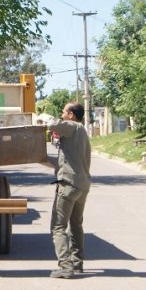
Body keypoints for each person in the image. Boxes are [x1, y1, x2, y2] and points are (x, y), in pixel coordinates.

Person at [42, 102, 91, 279]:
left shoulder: (72, 126)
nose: (62, 115)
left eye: (63, 112)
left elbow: (53, 123)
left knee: (57, 227)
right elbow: (67, 161)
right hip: (82, 185)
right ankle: (77, 263)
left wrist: (40, 116)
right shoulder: (81, 132)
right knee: (76, 225)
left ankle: (65, 266)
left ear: (71, 114)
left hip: (69, 185)